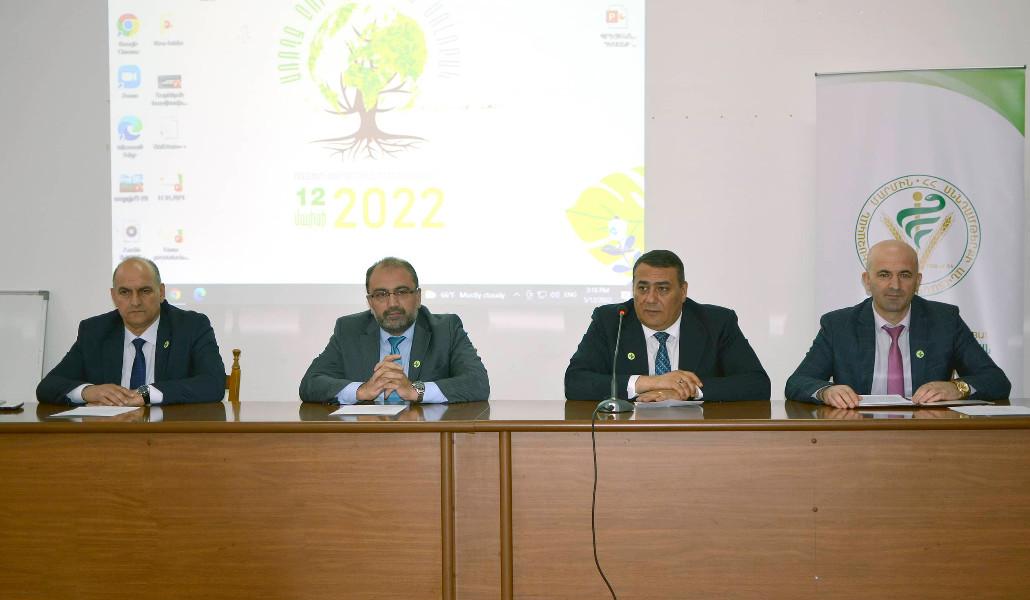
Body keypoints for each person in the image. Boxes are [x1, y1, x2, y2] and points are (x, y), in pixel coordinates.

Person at [785, 240, 1010, 408]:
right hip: (859, 434)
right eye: (884, 275)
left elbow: (997, 381)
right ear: (867, 281)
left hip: (927, 436)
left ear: (918, 281)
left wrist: (956, 388)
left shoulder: (945, 321)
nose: (895, 285)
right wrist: (826, 391)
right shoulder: (839, 325)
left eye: (905, 275)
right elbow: (797, 383)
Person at [564, 249, 770, 402]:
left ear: (683, 291)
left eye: (662, 289)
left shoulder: (716, 323)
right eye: (642, 288)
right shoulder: (612, 320)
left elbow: (757, 383)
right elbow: (575, 382)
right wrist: (651, 382)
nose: (650, 298)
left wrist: (686, 390)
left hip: (698, 437)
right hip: (628, 436)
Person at [36, 257, 226, 406]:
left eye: (145, 291)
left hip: (169, 435)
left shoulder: (191, 327)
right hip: (110, 435)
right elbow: (47, 386)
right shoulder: (95, 331)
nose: (135, 302)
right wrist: (88, 392)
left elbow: (214, 384)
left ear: (161, 292)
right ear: (113, 296)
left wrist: (147, 394)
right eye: (125, 292)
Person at [299, 257, 489, 404]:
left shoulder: (446, 329)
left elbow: (477, 382)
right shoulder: (349, 330)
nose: (392, 304)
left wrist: (415, 390)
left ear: (418, 297)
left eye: (402, 292)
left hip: (426, 436)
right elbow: (310, 383)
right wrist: (361, 390)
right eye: (381, 294)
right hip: (366, 435)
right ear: (370, 302)